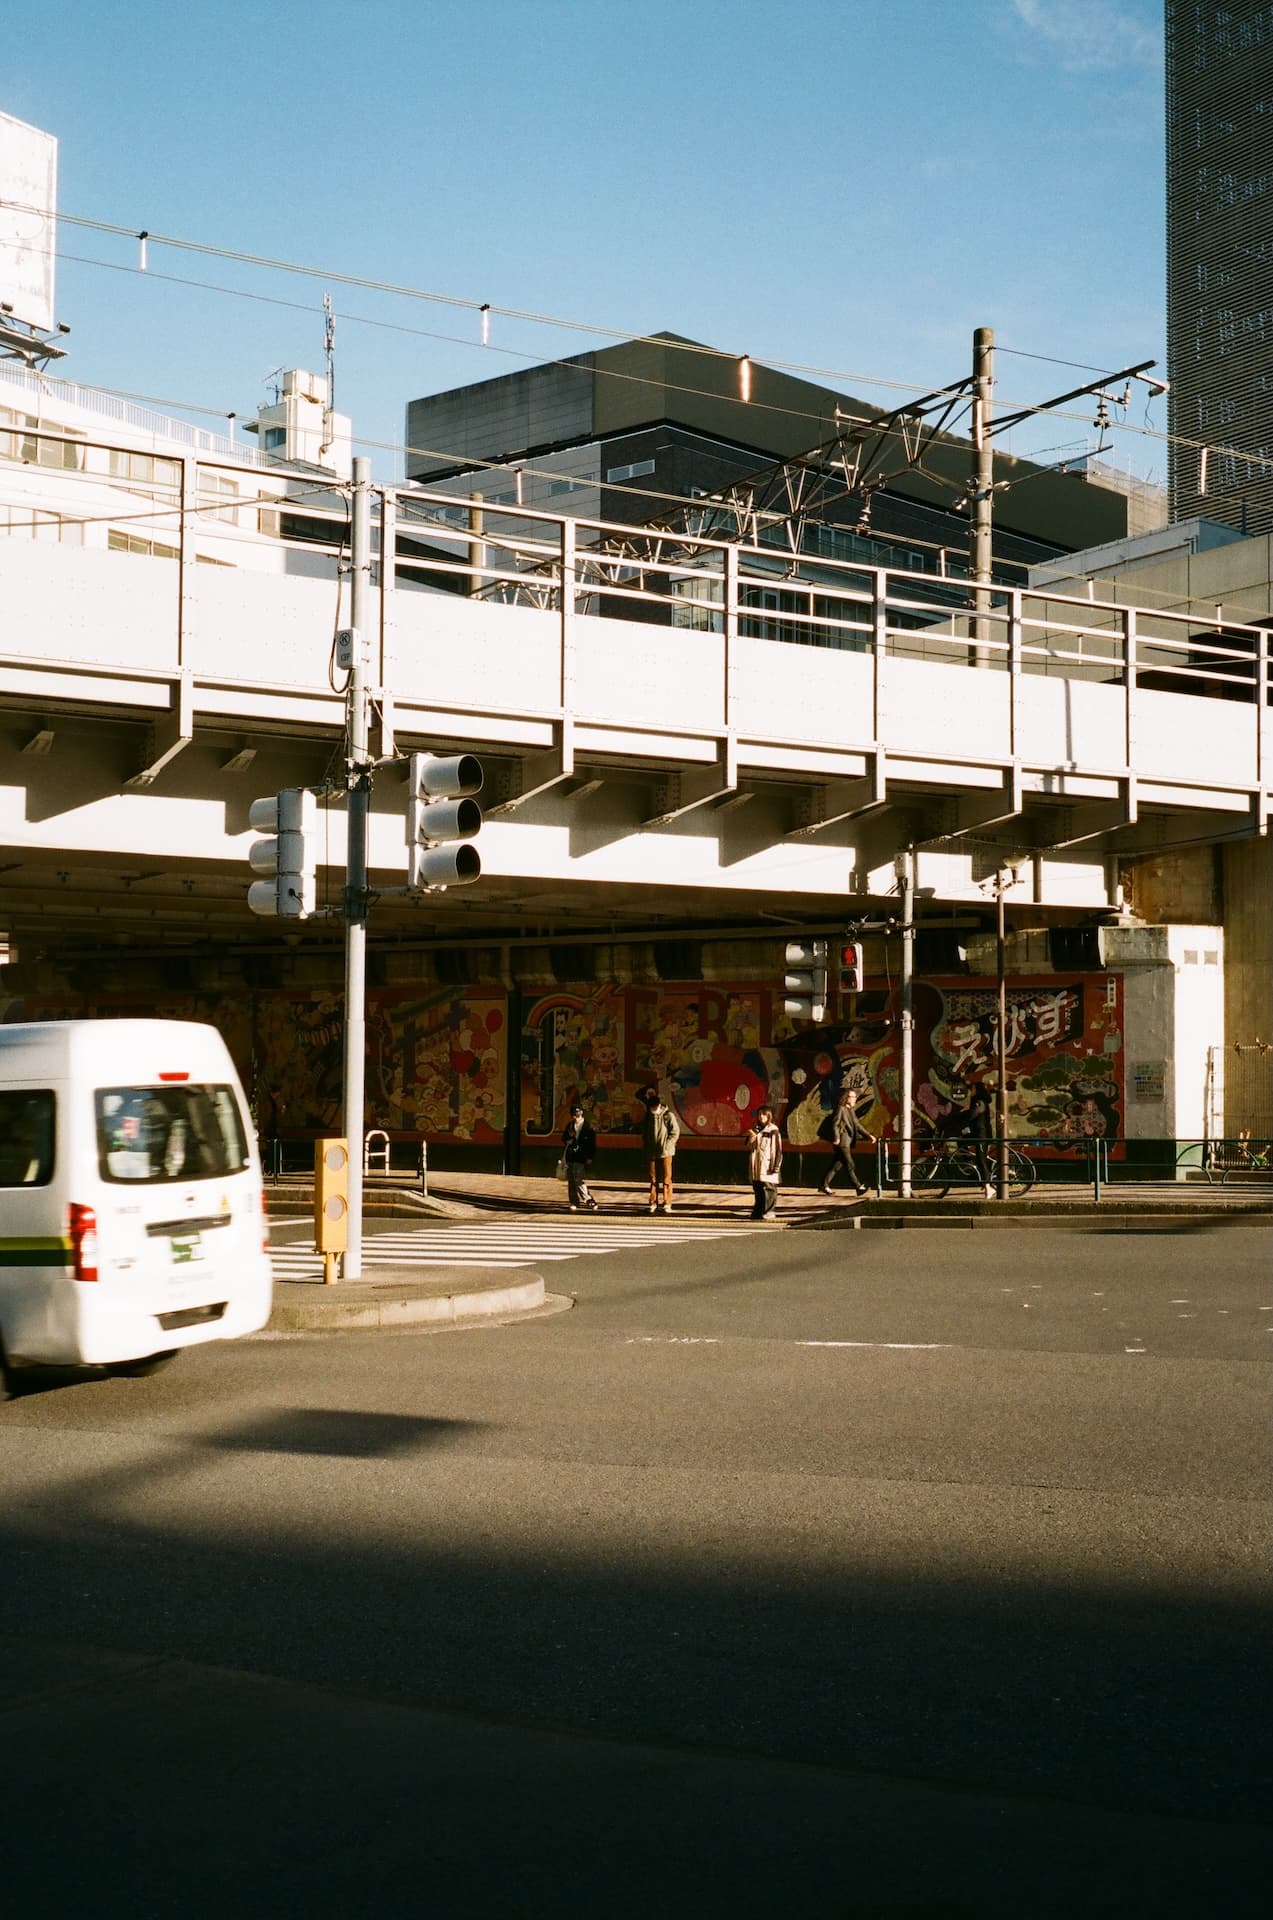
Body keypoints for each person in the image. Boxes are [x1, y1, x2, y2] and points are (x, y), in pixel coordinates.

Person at [820, 1086, 875, 1197]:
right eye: (853, 1097)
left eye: (855, 1097)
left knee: (836, 1166)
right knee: (850, 1164)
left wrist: (869, 1136)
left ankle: (824, 1185)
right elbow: (835, 1124)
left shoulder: (850, 1110)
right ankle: (858, 1187)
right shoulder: (841, 1109)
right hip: (842, 1143)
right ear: (847, 1098)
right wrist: (837, 1137)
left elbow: (857, 1125)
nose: (855, 1099)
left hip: (846, 1142)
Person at [639, 1085, 680, 1214]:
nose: (653, 1110)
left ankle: (667, 1203)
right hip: (651, 1152)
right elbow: (644, 1132)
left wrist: (667, 1145)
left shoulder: (668, 1115)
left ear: (659, 1105)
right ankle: (653, 1202)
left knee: (667, 1179)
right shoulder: (648, 1117)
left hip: (666, 1152)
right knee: (653, 1179)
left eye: (654, 1108)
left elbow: (675, 1132)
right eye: (651, 1108)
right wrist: (646, 1145)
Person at [561, 1102, 599, 1212]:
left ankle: (588, 1199)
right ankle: (574, 1201)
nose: (575, 1117)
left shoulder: (588, 1127)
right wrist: (568, 1139)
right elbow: (563, 1138)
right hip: (570, 1155)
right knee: (571, 1180)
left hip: (581, 1156)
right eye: (573, 1115)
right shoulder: (570, 1125)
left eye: (576, 1114)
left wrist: (590, 1156)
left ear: (581, 1113)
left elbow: (592, 1143)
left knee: (578, 1179)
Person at [747, 1105, 783, 1218]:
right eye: (759, 1114)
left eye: (764, 1114)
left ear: (769, 1116)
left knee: (769, 1188)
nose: (761, 1116)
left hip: (767, 1164)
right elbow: (748, 1145)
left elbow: (777, 1149)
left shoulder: (773, 1130)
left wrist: (775, 1166)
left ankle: (769, 1210)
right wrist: (752, 1137)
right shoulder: (756, 1129)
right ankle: (758, 1211)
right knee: (758, 1188)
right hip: (756, 1165)